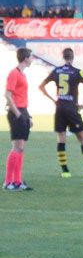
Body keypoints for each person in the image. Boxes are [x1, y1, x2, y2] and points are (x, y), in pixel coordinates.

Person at [39, 48, 83, 179]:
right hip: (72, 109)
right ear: (72, 57)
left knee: (61, 139)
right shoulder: (77, 72)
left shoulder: (56, 71)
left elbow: (41, 86)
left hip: (59, 108)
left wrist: (53, 100)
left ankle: (65, 171)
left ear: (62, 57)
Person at [4, 47, 34, 190]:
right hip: (16, 113)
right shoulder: (14, 74)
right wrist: (18, 114)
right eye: (31, 57)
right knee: (17, 147)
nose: (32, 59)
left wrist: (28, 115)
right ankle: (8, 181)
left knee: (21, 148)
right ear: (25, 58)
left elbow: (21, 96)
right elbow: (7, 95)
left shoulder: (23, 74)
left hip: (23, 111)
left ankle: (17, 181)